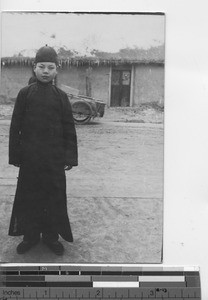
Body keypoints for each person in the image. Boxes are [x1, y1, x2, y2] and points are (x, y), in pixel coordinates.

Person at [8, 45, 78, 256]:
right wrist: (16, 155)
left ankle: (50, 237)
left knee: (53, 197)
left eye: (50, 67)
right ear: (34, 68)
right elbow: (15, 127)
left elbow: (69, 129)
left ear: (56, 70)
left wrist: (70, 157)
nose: (45, 71)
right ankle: (30, 237)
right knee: (29, 196)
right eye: (41, 67)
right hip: (30, 159)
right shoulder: (25, 94)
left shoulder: (61, 97)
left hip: (54, 160)